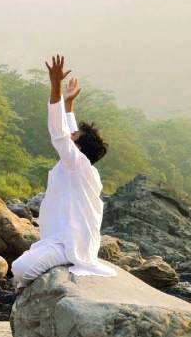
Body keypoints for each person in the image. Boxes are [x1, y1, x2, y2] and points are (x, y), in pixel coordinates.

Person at [11, 55, 116, 290]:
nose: (71, 135)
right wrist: (69, 104)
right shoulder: (82, 166)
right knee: (24, 266)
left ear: (78, 148)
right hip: (63, 239)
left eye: (74, 138)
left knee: (19, 269)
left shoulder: (76, 164)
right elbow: (69, 130)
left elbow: (59, 132)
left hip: (69, 243)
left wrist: (55, 86)